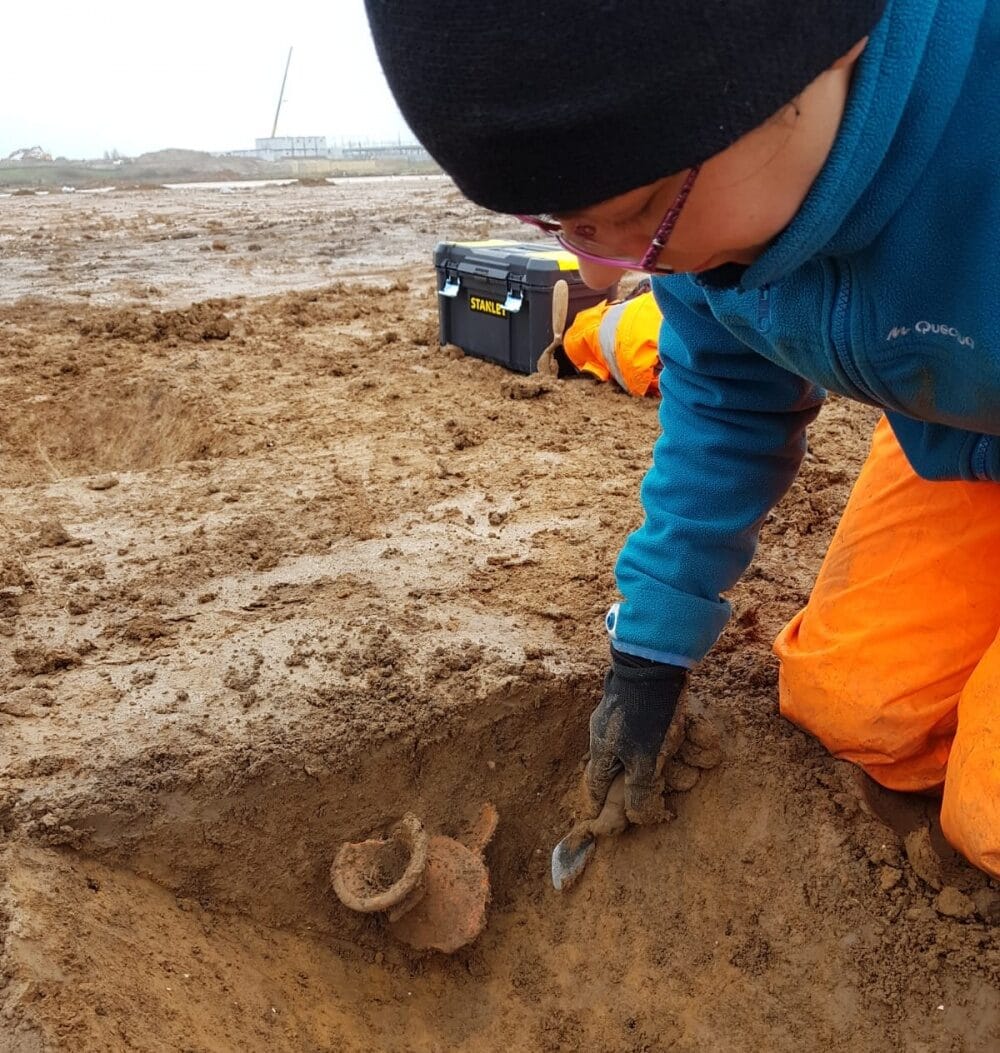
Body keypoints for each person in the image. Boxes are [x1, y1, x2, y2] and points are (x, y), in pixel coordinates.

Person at [364, 0, 1000, 877]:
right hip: (961, 434)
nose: (595, 272)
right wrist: (651, 650)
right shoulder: (705, 241)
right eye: (558, 224)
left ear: (827, 47)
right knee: (859, 711)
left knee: (990, 810)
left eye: (637, 209)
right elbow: (729, 398)